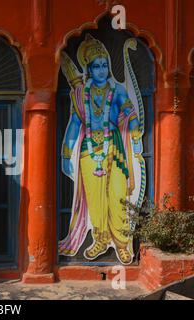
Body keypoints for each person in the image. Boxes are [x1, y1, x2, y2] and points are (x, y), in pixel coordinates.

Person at [59, 34, 145, 265]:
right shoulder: (80, 95)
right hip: (89, 150)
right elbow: (75, 125)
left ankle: (122, 243)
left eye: (104, 65)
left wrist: (136, 136)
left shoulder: (116, 91)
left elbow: (129, 113)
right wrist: (67, 153)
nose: (101, 70)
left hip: (115, 147)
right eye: (96, 66)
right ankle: (99, 238)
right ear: (88, 68)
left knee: (117, 196)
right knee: (95, 200)